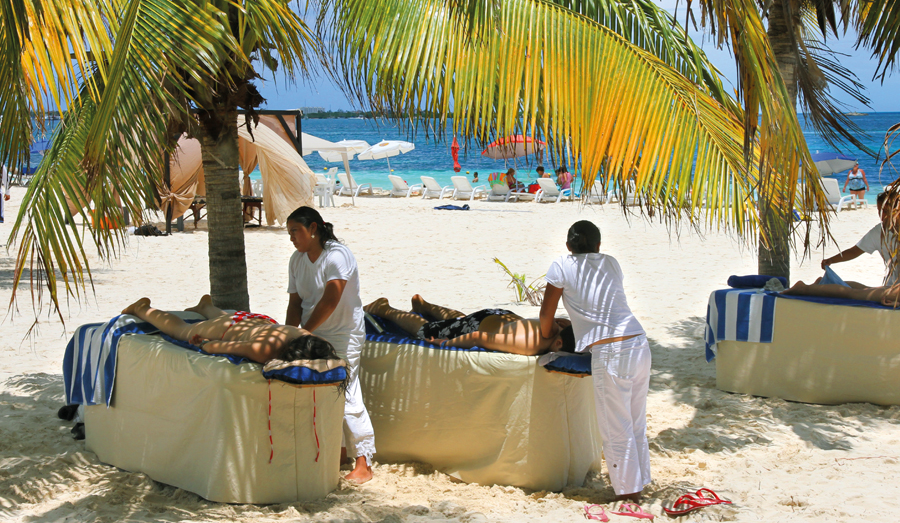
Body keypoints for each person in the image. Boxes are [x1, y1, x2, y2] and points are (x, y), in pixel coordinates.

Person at [538, 221, 651, 501]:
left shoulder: (561, 264)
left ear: (568, 245)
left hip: (612, 351)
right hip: (638, 343)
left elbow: (546, 313)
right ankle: (639, 482)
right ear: (599, 245)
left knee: (616, 427)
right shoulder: (611, 263)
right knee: (635, 421)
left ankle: (629, 496)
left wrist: (547, 336)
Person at [285, 206, 375, 484]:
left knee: (347, 391)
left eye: (295, 231)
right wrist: (289, 334)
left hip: (344, 334)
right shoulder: (297, 260)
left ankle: (364, 462)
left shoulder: (337, 255)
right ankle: (339, 452)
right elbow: (295, 303)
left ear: (313, 228)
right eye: (289, 233)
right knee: (322, 392)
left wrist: (304, 331)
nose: (291, 238)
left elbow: (331, 299)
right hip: (312, 334)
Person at [120, 296, 338, 364]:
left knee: (228, 320)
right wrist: (203, 343)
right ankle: (141, 308)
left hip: (258, 320)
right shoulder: (265, 350)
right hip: (232, 326)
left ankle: (206, 307)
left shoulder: (308, 337)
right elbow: (220, 347)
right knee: (181, 330)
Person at [364, 295, 575, 355]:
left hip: (501, 316)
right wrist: (444, 344)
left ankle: (424, 306)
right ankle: (383, 308)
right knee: (426, 332)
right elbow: (478, 338)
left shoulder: (561, 327)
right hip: (480, 326)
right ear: (558, 343)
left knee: (462, 320)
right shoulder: (530, 345)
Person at [820, 189, 900, 285]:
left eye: (886, 211)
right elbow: (854, 251)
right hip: (894, 285)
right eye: (879, 211)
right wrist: (831, 260)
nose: (882, 216)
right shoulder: (879, 232)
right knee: (841, 284)